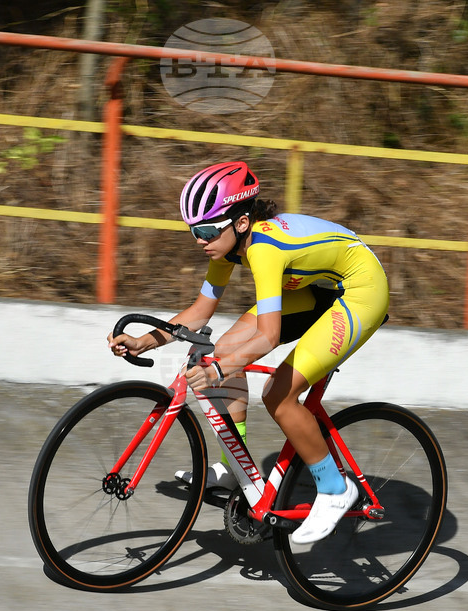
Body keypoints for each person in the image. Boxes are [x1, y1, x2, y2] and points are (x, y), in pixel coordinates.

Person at [107, 161, 389, 544]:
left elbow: (269, 336)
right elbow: (200, 312)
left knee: (278, 395)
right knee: (218, 351)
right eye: (193, 230)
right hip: (316, 288)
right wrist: (146, 341)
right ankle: (230, 467)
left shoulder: (264, 248)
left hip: (360, 293)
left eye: (207, 230)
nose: (199, 239)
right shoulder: (225, 249)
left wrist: (220, 371)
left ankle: (336, 489)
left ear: (241, 223)